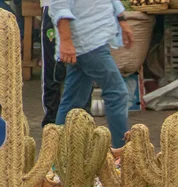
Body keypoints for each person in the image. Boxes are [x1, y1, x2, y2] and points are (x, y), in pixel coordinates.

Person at [50, 0, 133, 153]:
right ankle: (121, 153)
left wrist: (121, 19)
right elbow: (59, 4)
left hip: (94, 38)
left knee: (73, 99)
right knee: (117, 93)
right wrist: (66, 41)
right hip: (86, 41)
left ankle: (57, 157)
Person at [41, 0, 66, 127]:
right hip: (54, 8)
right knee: (54, 70)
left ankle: (81, 122)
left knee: (81, 70)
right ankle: (52, 123)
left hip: (82, 11)